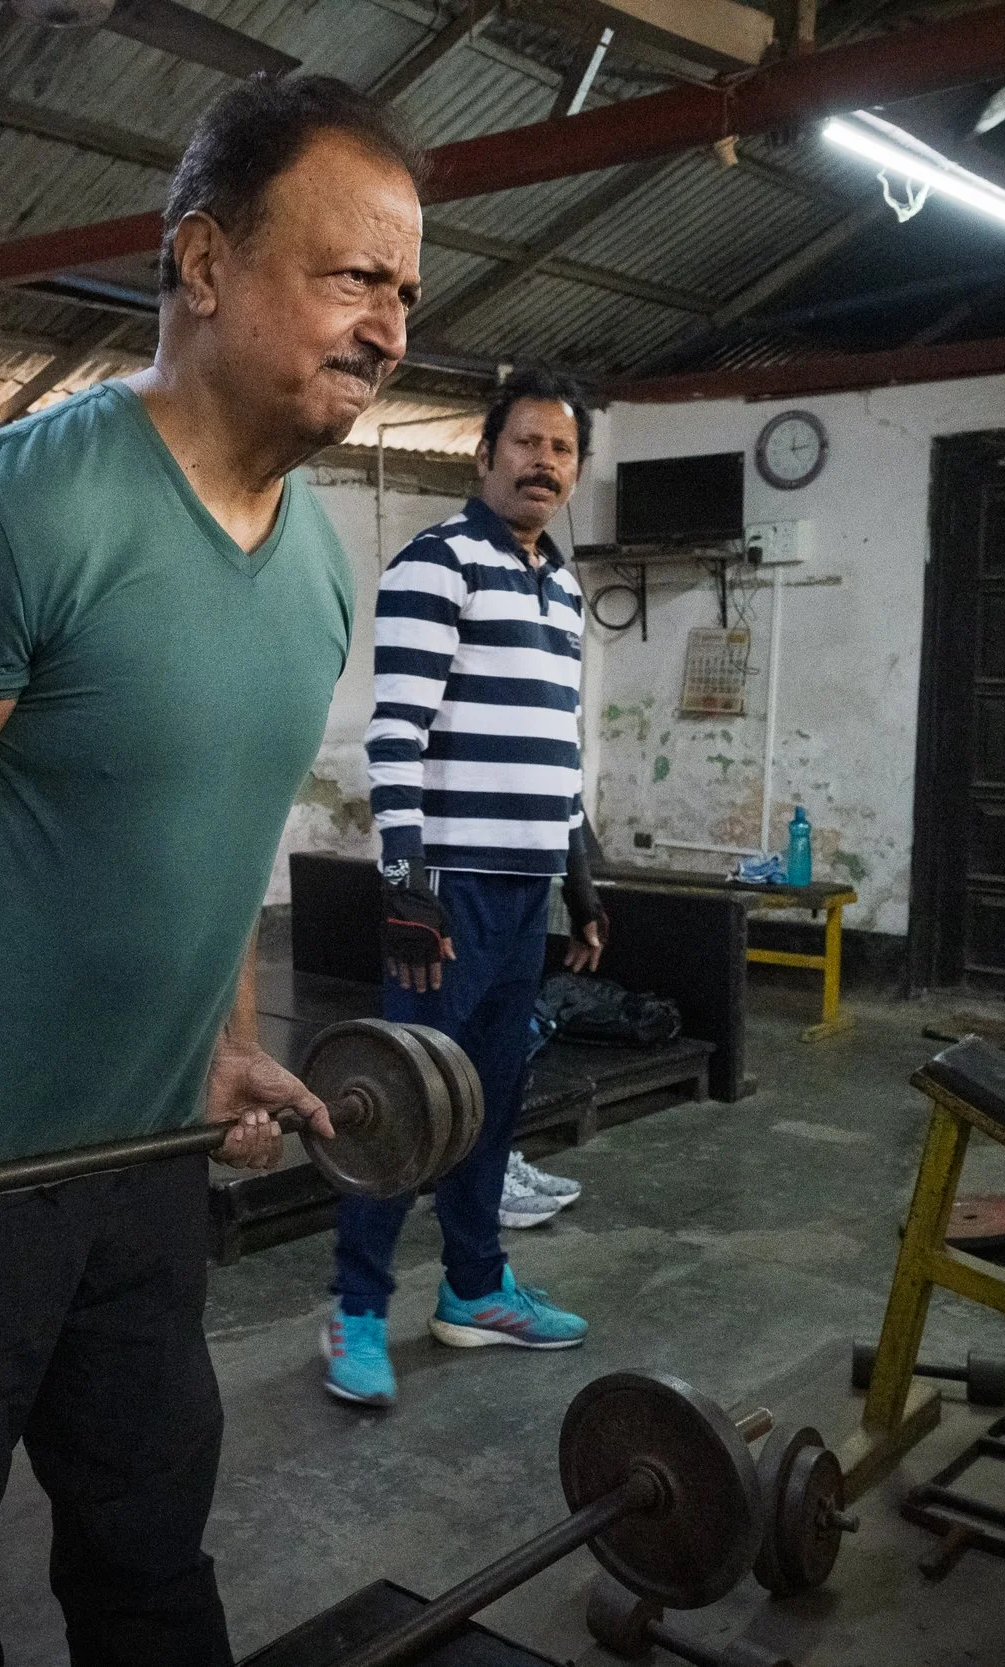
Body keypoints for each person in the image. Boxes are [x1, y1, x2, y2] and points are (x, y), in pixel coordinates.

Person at [0, 75, 426, 1667]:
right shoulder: (14, 515)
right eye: (354, 275)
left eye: (407, 291)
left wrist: (221, 1040)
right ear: (203, 265)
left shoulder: (319, 572)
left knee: (149, 1552)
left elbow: (215, 824)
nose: (391, 326)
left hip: (147, 1175)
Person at [322, 368, 609, 1409]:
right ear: (483, 457)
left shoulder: (564, 587)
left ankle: (474, 1289)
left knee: (490, 1102)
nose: (542, 462)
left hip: (526, 886)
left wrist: (582, 879)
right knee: (408, 1107)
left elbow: (556, 754)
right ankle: (355, 1309)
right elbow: (392, 737)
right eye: (524, 443)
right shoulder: (435, 565)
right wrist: (404, 885)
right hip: (447, 895)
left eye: (561, 449)